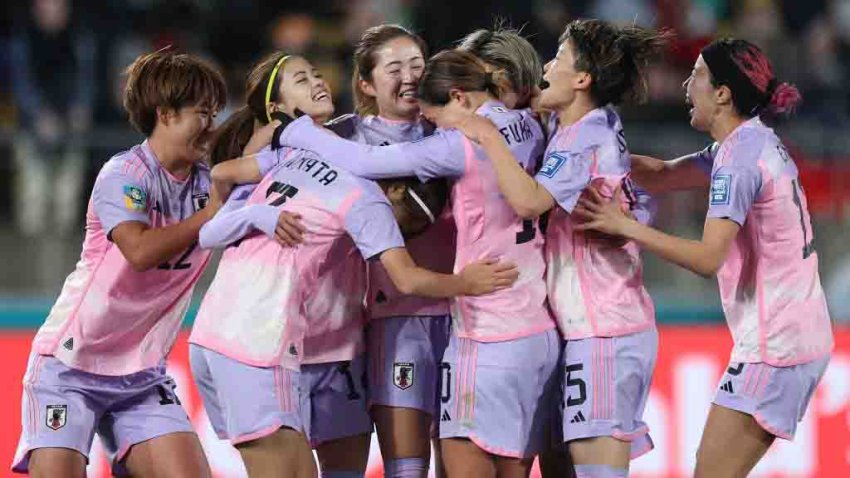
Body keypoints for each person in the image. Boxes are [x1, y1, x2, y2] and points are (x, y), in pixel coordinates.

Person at [187, 53, 518, 478]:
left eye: (316, 72)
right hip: (253, 341)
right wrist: (465, 282)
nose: (317, 80)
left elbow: (219, 201)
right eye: (301, 78)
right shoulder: (312, 168)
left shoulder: (293, 154)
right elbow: (406, 276)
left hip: (281, 344)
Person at [275, 49, 560, 478]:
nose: (433, 125)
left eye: (436, 115)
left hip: (487, 330)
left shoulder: (459, 142)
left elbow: (363, 162)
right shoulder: (529, 126)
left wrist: (295, 130)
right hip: (534, 321)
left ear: (460, 99)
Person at [575, 38, 833, 477]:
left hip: (777, 347)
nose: (684, 85)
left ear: (722, 93)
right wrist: (588, 155)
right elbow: (662, 174)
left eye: (695, 74)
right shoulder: (745, 144)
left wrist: (625, 227)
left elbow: (708, 257)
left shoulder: (738, 161)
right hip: (792, 335)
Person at [443, 19, 668, 478]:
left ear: (582, 80)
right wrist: (636, 216)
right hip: (592, 325)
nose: (546, 66)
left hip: (602, 327)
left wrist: (484, 132)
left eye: (558, 59)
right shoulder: (583, 125)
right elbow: (636, 190)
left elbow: (528, 202)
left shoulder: (581, 135)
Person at [12, 49, 227, 477]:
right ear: (165, 114)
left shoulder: (210, 182)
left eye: (215, 114)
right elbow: (141, 251)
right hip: (69, 367)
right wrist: (210, 214)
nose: (211, 127)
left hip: (142, 376)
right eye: (201, 114)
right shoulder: (124, 174)